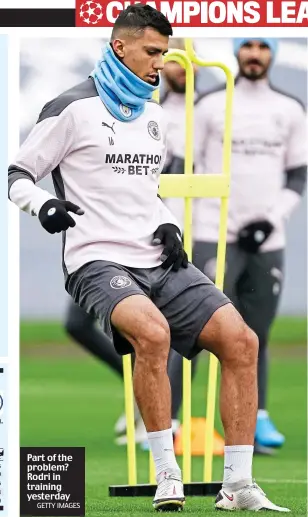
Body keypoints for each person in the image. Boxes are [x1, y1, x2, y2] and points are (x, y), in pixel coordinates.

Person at [8, 6, 290, 512]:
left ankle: (238, 487)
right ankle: (167, 476)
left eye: (165, 52)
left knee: (242, 341)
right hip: (96, 260)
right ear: (120, 46)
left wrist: (169, 223)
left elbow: (147, 191)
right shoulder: (69, 107)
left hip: (157, 255)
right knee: (153, 334)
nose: (162, 62)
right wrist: (44, 205)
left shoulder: (153, 114)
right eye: (153, 52)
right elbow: (17, 175)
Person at [191, 38, 307, 451]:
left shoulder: (290, 108)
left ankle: (254, 422)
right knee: (196, 329)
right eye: (248, 46)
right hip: (211, 231)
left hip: (265, 239)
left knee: (256, 335)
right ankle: (175, 423)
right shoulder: (207, 105)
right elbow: (186, 166)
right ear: (236, 52)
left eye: (263, 46)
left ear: (272, 53)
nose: (255, 54)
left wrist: (270, 220)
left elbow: (296, 176)